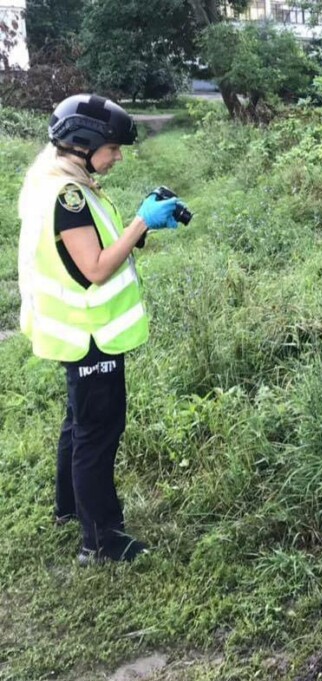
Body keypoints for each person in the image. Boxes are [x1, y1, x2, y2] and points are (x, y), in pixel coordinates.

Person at [17, 94, 186, 564]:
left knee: (79, 422)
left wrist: (143, 228)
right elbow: (94, 268)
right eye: (112, 148)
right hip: (91, 333)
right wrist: (138, 223)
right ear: (85, 143)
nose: (118, 156)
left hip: (77, 330)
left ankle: (70, 509)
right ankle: (102, 541)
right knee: (98, 432)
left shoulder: (58, 177)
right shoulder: (68, 196)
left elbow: (92, 245)